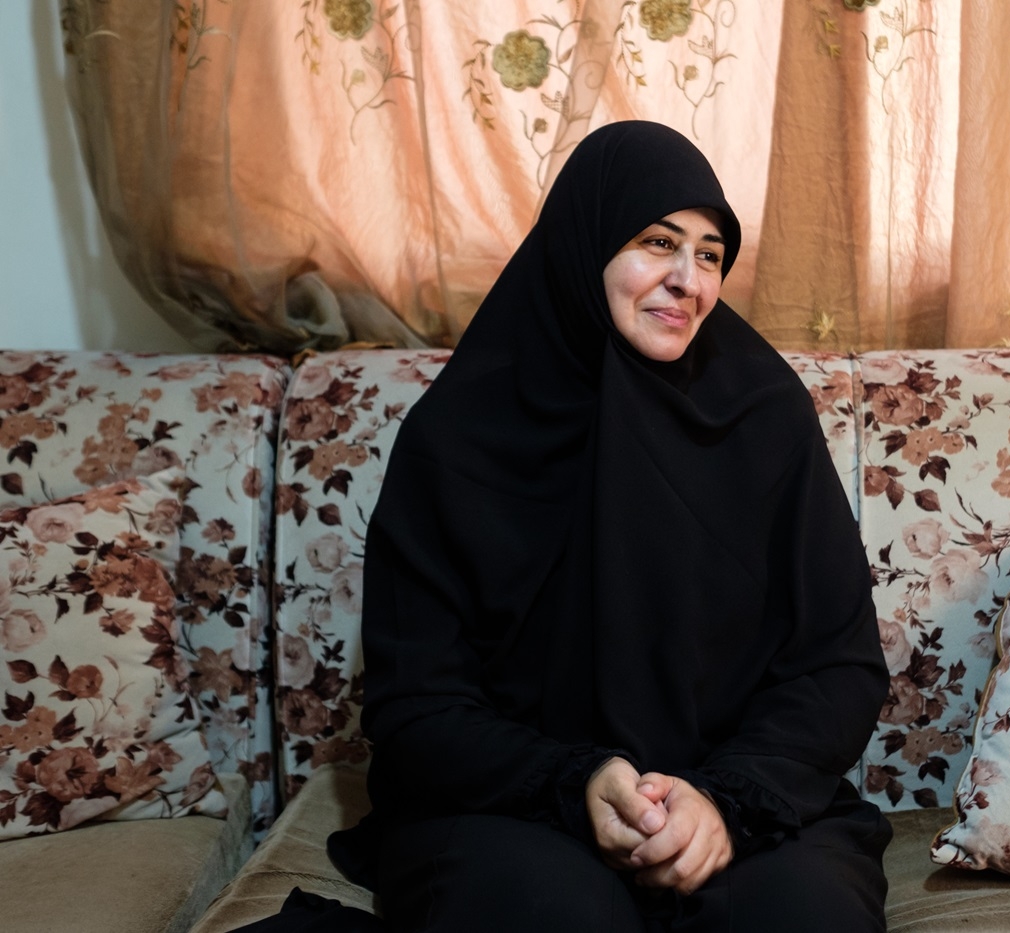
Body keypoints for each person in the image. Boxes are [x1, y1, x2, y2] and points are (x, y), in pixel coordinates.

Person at [330, 120, 891, 932]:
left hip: (737, 794)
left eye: (708, 255)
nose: (686, 280)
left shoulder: (764, 414)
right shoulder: (457, 436)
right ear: (582, 242)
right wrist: (576, 779)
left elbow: (839, 664)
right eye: (657, 242)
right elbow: (415, 703)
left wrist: (723, 801)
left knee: (800, 915)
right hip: (511, 805)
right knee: (554, 916)